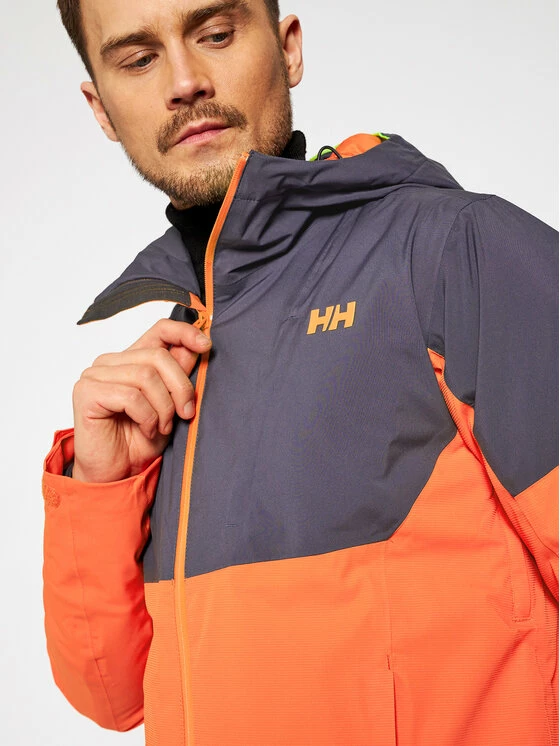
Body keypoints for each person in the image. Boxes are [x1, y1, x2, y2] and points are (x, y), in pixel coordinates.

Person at [42, 0, 558, 744]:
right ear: (101, 108)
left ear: (288, 49)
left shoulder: (457, 251)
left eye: (216, 34)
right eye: (139, 59)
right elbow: (111, 692)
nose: (184, 81)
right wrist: (102, 487)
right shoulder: (177, 357)